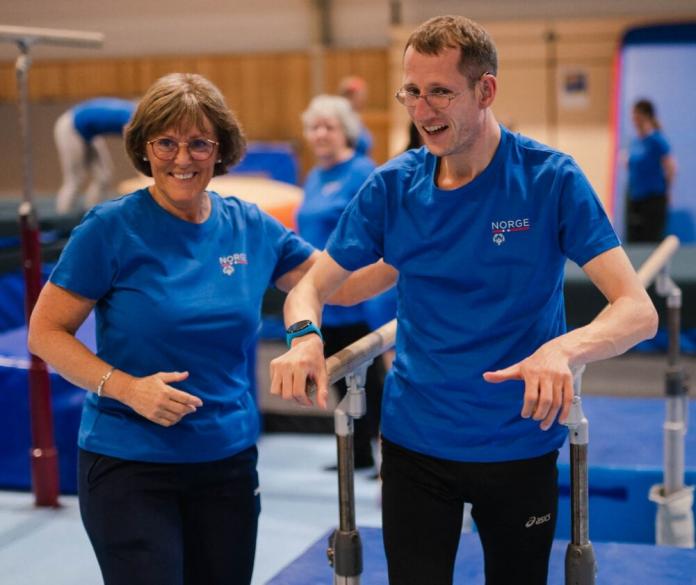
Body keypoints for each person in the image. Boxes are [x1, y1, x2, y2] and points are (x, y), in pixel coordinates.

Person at [270, 15, 658, 585]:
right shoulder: (393, 187)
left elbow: (637, 309)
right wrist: (304, 337)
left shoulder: (550, 180)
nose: (422, 111)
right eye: (412, 92)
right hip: (416, 443)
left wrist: (564, 350)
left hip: (519, 437)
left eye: (440, 92)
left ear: (486, 90)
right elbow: (315, 286)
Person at [27, 72, 381, 585]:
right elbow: (45, 333)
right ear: (145, 149)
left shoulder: (250, 225)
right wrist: (126, 388)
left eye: (198, 143)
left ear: (221, 150)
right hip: (131, 462)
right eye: (166, 143)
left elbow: (339, 286)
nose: (182, 157)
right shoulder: (110, 229)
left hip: (227, 460)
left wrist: (416, 247)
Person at [297, 94, 384, 471]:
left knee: (370, 376)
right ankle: (358, 451)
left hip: (358, 291)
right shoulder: (314, 176)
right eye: (314, 127)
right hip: (322, 293)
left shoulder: (362, 170)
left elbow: (377, 231)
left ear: (344, 132)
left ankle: (387, 453)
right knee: (334, 372)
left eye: (328, 127)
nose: (320, 134)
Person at [53, 97, 136, 215]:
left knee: (104, 176)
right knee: (75, 179)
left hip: (90, 132)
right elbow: (134, 144)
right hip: (71, 127)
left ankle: (91, 212)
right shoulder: (132, 118)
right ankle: (62, 215)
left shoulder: (132, 111)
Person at [626, 98, 676, 242]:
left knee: (651, 239)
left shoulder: (657, 140)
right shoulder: (635, 141)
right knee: (634, 240)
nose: (633, 119)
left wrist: (667, 190)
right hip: (636, 198)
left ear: (645, 116)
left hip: (654, 198)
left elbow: (671, 166)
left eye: (636, 115)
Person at [338, 75, 373, 156]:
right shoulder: (342, 119)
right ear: (350, 96)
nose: (364, 99)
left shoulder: (355, 116)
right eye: (361, 95)